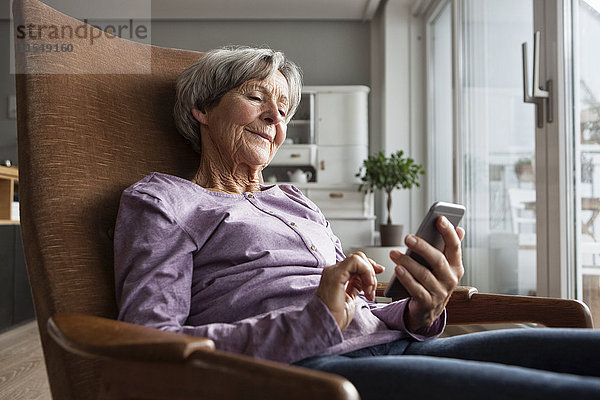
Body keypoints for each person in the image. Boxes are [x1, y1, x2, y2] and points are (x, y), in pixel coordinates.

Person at [114, 46, 600, 399]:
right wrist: (313, 323)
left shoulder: (294, 200)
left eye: (282, 110)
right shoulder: (163, 200)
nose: (273, 119)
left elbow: (357, 307)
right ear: (201, 107)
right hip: (308, 372)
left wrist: (418, 310)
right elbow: (150, 343)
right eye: (256, 97)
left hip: (392, 342)